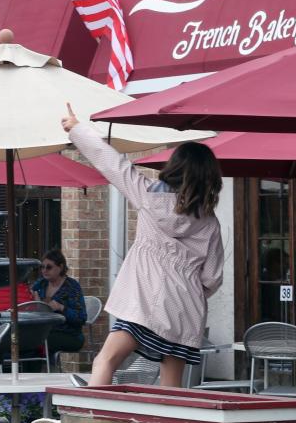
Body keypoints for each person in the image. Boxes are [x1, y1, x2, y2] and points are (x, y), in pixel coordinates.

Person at [62, 104, 223, 388]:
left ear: (174, 168)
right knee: (171, 383)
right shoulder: (210, 223)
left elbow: (112, 163)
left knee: (106, 361)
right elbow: (211, 278)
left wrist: (76, 128)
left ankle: (94, 419)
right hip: (186, 309)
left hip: (144, 301)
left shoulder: (149, 198)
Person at [31, 249, 87, 366]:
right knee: (27, 340)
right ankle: (27, 374)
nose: (44, 270)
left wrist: (62, 308)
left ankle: (46, 372)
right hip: (44, 331)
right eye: (42, 267)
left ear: (60, 267)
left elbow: (81, 318)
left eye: (49, 267)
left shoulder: (71, 287)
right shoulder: (41, 284)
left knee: (39, 341)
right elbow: (29, 296)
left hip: (70, 335)